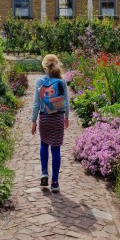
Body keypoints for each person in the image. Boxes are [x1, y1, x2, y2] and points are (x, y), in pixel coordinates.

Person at [31, 54, 69, 193]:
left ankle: (44, 174)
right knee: (56, 148)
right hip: (58, 118)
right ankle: (55, 183)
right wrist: (66, 117)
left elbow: (36, 104)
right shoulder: (62, 81)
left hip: (45, 117)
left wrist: (33, 120)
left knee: (43, 144)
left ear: (44, 66)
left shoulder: (40, 81)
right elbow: (66, 102)